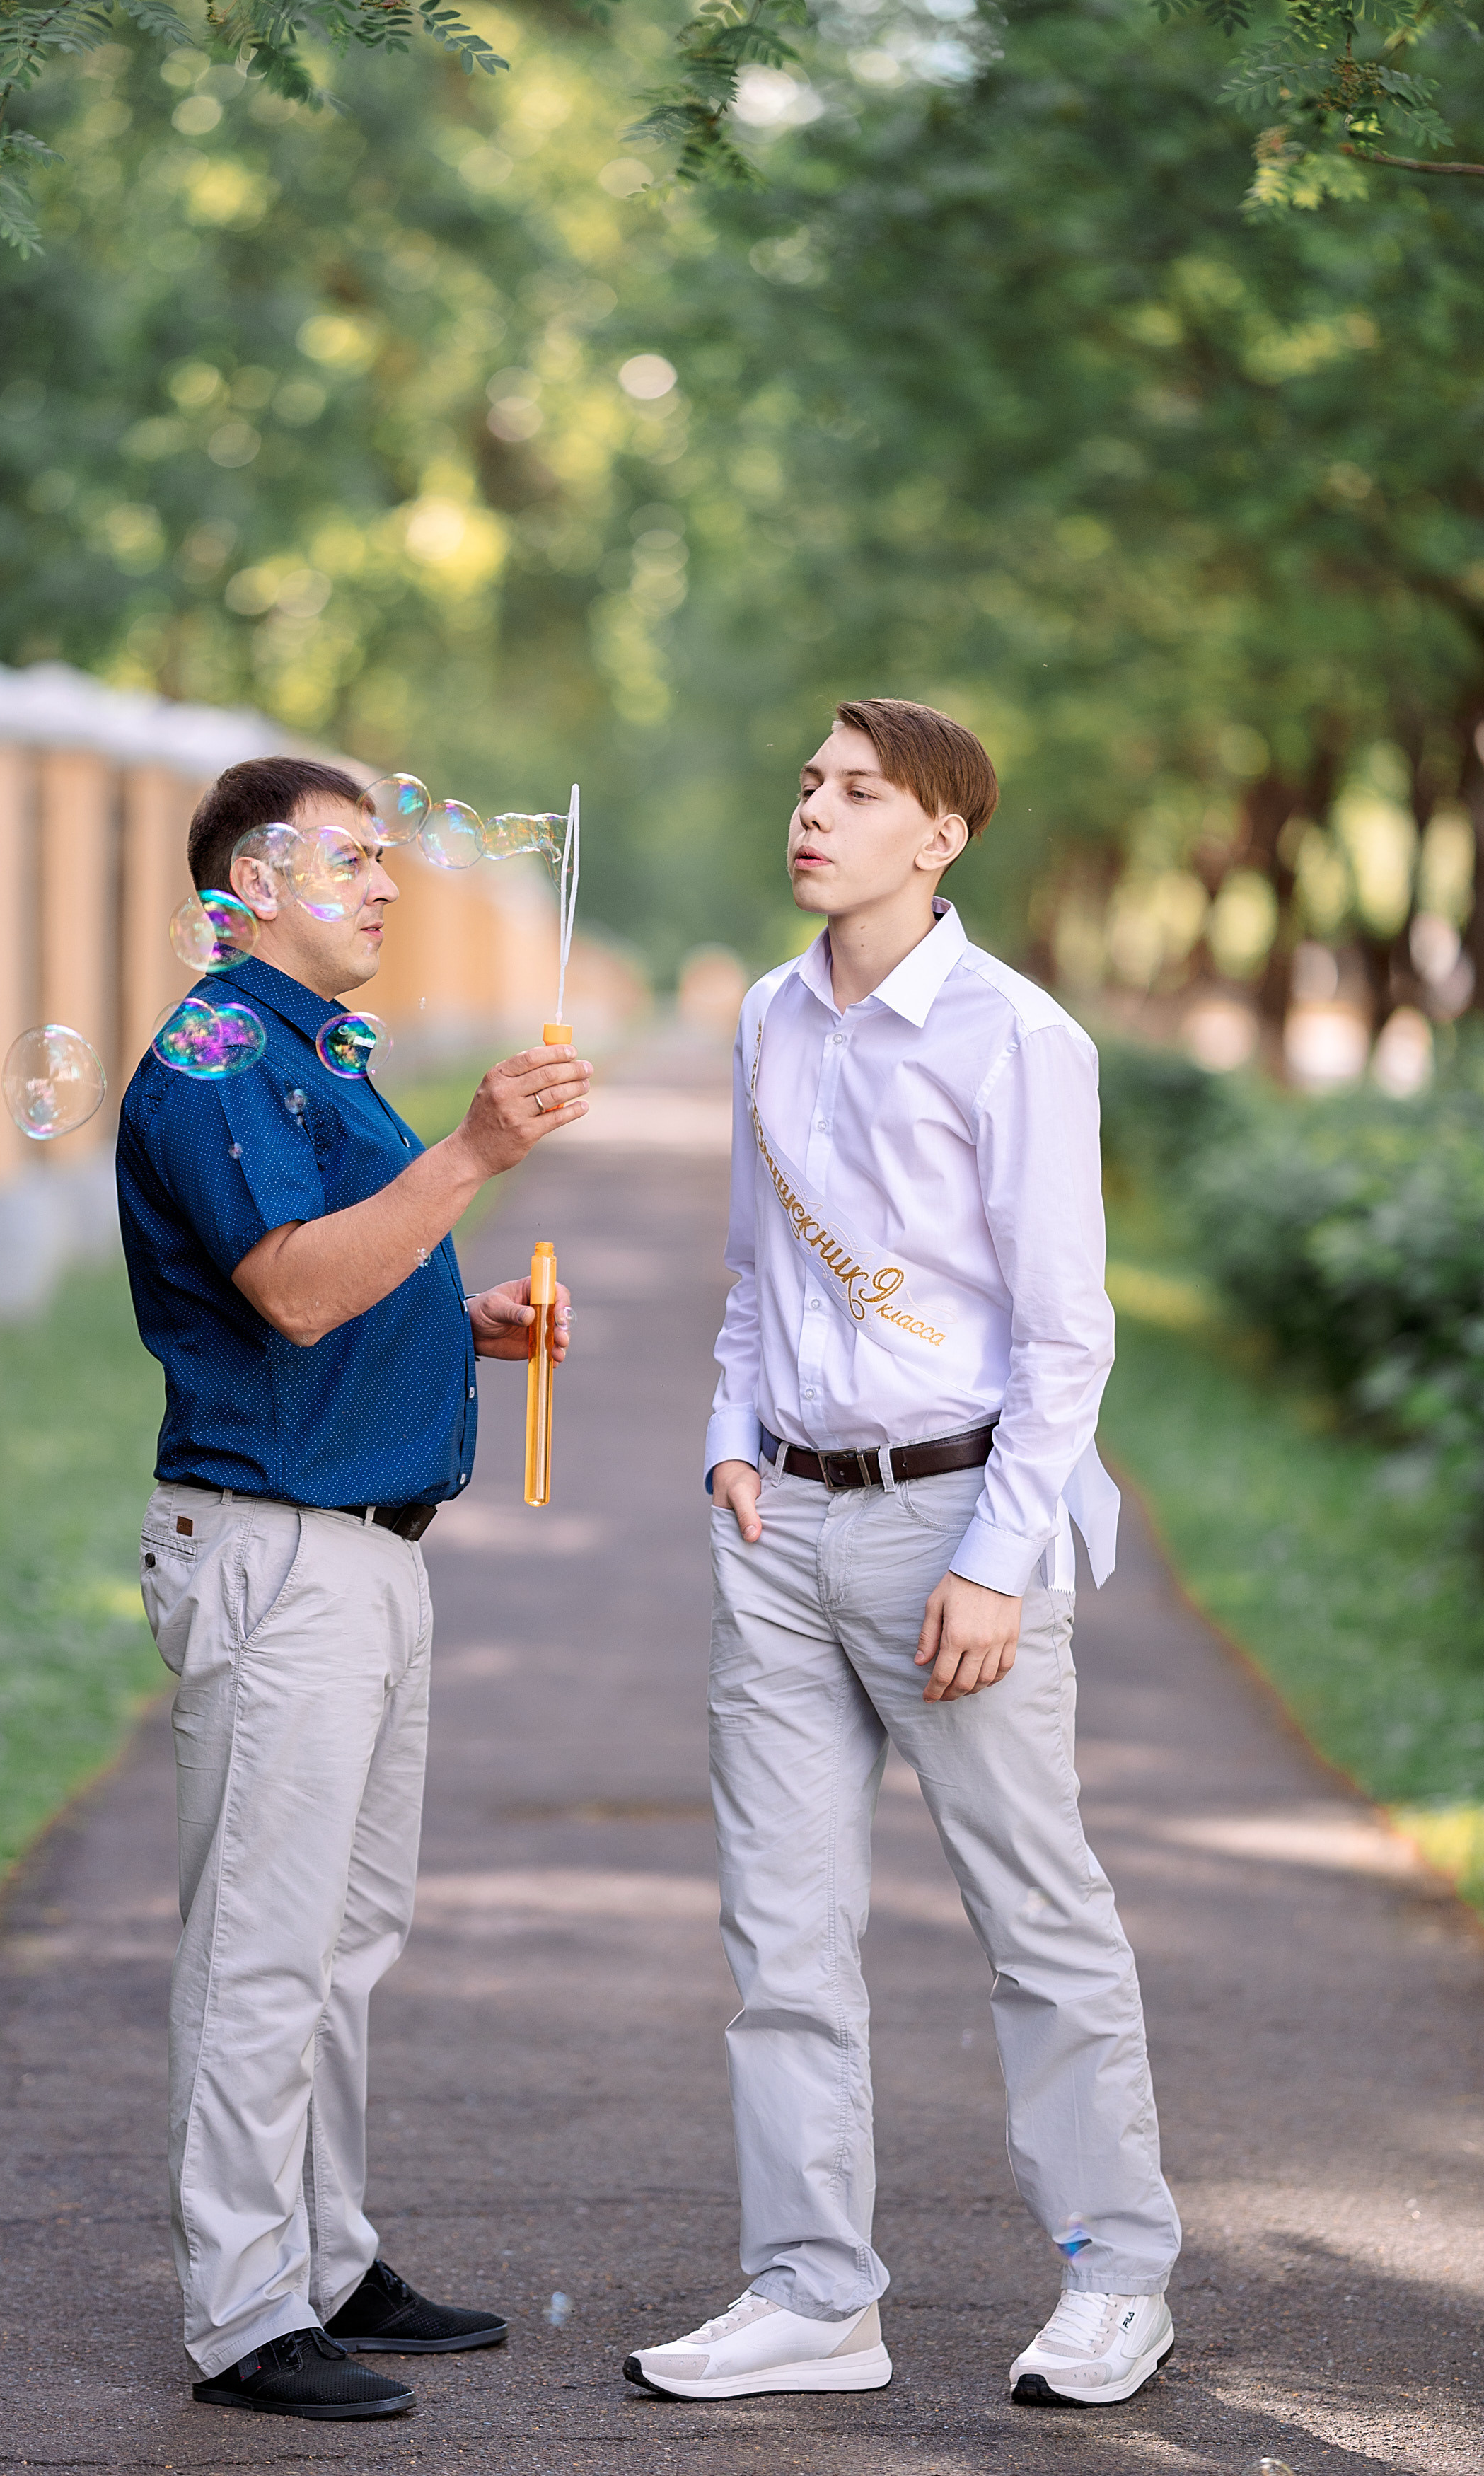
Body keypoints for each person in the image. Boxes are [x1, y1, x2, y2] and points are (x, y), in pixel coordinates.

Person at [623, 699, 1179, 2410]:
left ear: (937, 836)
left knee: (1035, 1916)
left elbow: (1066, 1339)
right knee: (780, 1937)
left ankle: (1116, 2275)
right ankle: (812, 2293)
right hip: (780, 1525)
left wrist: (999, 1558)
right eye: (807, 781)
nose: (814, 810)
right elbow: (751, 1277)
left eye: (858, 792)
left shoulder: (1017, 1037)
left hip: (955, 1519)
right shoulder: (770, 1017)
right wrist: (730, 1441)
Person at [117, 755, 592, 2422]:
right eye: (346, 859)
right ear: (242, 889)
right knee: (262, 1945)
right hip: (280, 1555)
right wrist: (471, 1155)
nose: (386, 884)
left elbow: (355, 1266)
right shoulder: (219, 1053)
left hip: (367, 1553)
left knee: (340, 1940)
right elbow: (299, 1293)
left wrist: (464, 1321)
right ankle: (243, 2311)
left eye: (388, 858)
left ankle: (324, 2256)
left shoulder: (319, 1056)